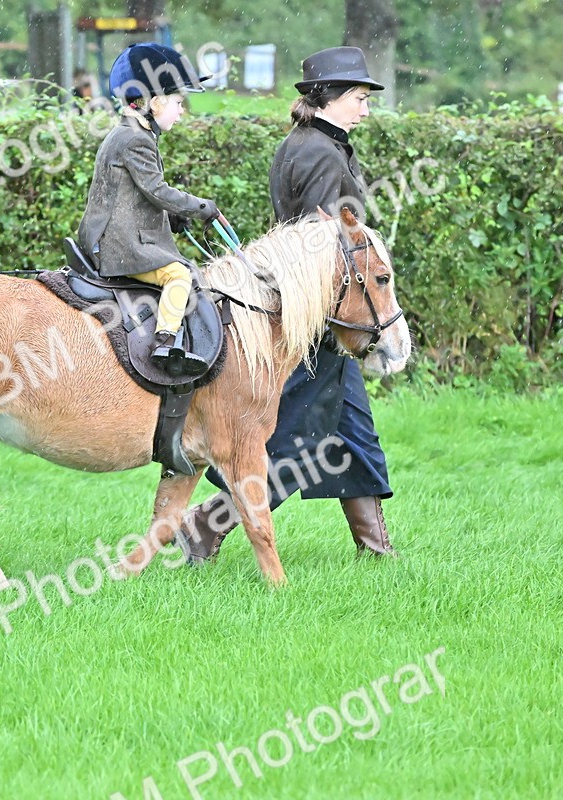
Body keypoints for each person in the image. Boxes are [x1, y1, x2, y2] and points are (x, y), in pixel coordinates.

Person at [174, 46, 399, 560]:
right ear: (332, 98)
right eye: (360, 98)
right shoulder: (319, 152)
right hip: (318, 318)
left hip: (322, 315)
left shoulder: (313, 144)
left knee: (350, 429)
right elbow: (318, 241)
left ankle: (376, 550)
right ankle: (207, 524)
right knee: (293, 439)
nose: (366, 108)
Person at [76, 43, 228, 375]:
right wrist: (202, 207)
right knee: (179, 274)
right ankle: (165, 342)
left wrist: (172, 215)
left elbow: (136, 194)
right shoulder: (137, 139)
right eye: (177, 102)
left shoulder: (129, 132)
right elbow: (157, 190)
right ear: (155, 103)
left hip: (119, 235)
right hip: (119, 245)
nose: (182, 110)